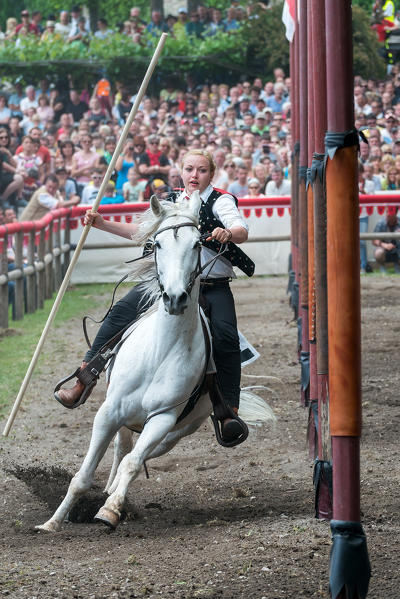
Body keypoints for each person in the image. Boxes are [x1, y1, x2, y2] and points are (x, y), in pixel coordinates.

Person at [55, 149, 254, 444]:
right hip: (166, 282)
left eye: (200, 170)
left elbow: (241, 229)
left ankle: (227, 412)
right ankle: (85, 378)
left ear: (211, 174)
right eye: (189, 169)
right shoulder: (171, 201)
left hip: (211, 286)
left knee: (225, 336)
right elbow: (141, 231)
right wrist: (101, 223)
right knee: (120, 311)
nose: (194, 176)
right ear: (181, 171)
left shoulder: (221, 200)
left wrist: (229, 232)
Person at [372, 207, 400, 273]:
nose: (387, 214)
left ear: (395, 213)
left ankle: (398, 267)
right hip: (384, 250)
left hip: (398, 250)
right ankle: (382, 268)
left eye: (390, 212)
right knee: (378, 253)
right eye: (386, 212)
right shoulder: (381, 223)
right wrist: (384, 245)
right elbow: (374, 240)